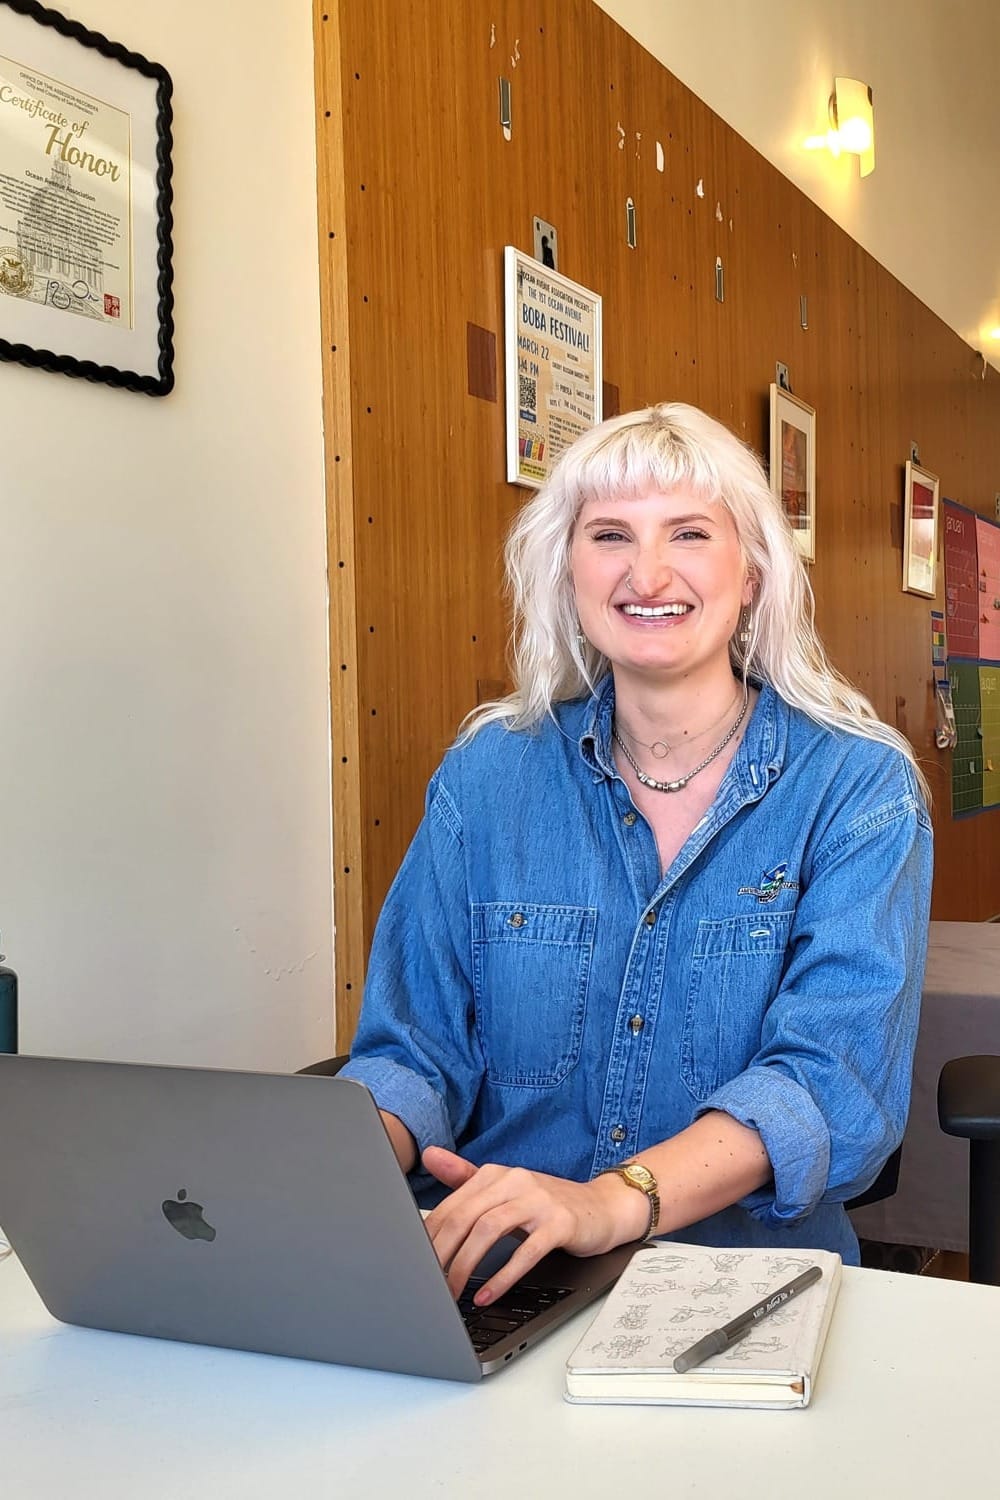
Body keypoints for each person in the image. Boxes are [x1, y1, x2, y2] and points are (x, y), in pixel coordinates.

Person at [340, 402, 933, 1309]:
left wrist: (605, 1204)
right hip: (495, 1275)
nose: (646, 572)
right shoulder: (488, 776)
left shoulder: (856, 788)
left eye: (689, 533)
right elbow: (414, 1054)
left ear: (754, 574)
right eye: (609, 534)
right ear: (567, 572)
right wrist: (304, 1180)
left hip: (740, 1289)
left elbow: (824, 1085)